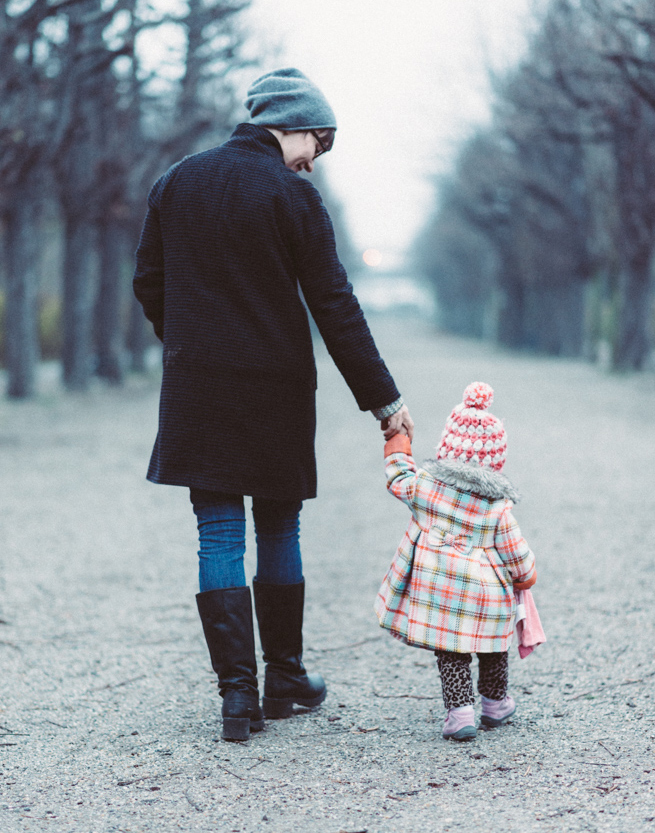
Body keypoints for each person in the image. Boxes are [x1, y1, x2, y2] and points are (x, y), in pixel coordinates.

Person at [133, 67, 413, 741]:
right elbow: (333, 304)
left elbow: (148, 281)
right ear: (291, 124)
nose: (313, 162)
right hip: (275, 389)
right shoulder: (289, 196)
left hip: (197, 388)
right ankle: (283, 677)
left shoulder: (177, 181)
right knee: (277, 529)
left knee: (218, 531)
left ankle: (237, 697)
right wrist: (383, 401)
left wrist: (190, 344)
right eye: (317, 144)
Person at [374, 382, 536, 742]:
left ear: (447, 446)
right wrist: (526, 575)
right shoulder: (497, 507)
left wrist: (398, 442)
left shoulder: (426, 488)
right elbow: (515, 550)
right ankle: (495, 704)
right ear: (496, 460)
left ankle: (460, 713)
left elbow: (398, 476)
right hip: (487, 595)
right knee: (493, 646)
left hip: (440, 593)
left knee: (452, 651)